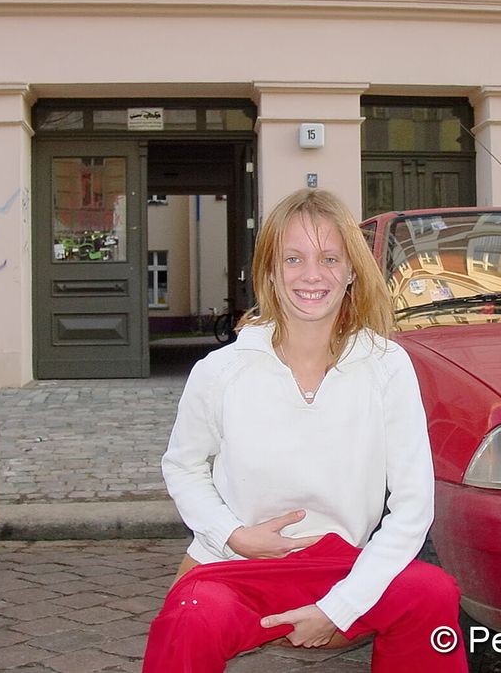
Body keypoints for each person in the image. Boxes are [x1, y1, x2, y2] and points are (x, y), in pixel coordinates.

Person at [141, 188, 467, 672]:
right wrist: (233, 534)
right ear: (271, 270)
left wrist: (337, 608)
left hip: (345, 567)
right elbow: (184, 466)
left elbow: (413, 508)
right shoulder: (221, 371)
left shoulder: (386, 366)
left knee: (433, 594)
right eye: (293, 258)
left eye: (329, 258)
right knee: (192, 617)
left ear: (352, 269)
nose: (312, 275)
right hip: (239, 567)